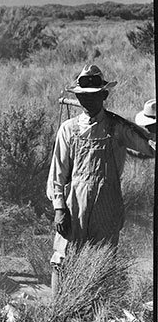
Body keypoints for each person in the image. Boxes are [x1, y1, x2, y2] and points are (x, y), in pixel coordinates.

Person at [47, 65, 154, 292]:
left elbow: (149, 147)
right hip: (74, 204)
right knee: (62, 258)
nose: (88, 101)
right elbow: (58, 173)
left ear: (104, 95)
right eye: (83, 96)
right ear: (77, 96)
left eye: (94, 95)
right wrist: (59, 208)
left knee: (102, 262)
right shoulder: (68, 129)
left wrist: (151, 128)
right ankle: (58, 309)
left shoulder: (118, 127)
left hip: (108, 202)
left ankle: (98, 317)